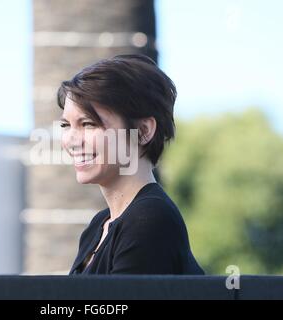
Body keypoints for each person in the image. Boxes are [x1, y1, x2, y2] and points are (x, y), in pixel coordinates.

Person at [57, 54, 204, 275]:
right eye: (66, 125)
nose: (72, 140)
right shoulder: (99, 225)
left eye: (88, 124)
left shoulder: (149, 219)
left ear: (144, 131)